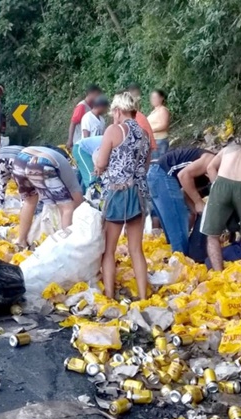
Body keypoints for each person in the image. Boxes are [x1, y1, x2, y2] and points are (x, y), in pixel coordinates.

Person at [95, 92, 151, 301]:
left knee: (109, 250)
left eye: (113, 113)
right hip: (138, 193)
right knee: (136, 249)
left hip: (118, 193)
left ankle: (109, 295)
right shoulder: (144, 134)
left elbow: (101, 163)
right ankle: (143, 297)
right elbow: (145, 165)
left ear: (118, 111)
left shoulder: (114, 130)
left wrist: (100, 168)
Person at [147, 148, 216, 254]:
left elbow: (186, 191)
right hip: (162, 174)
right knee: (178, 226)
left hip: (155, 174)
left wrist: (196, 211)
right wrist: (198, 202)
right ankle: (182, 262)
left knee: (174, 228)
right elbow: (183, 176)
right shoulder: (210, 160)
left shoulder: (203, 174)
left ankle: (177, 258)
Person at [13, 146, 84, 247]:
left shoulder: (62, 165)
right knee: (68, 208)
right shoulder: (74, 184)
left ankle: (21, 241)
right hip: (42, 163)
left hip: (21, 159)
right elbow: (77, 204)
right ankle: (66, 246)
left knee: (29, 202)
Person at [66, 84, 102, 149]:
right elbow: (73, 123)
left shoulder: (92, 106)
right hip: (80, 140)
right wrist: (70, 140)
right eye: (97, 95)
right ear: (91, 94)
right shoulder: (82, 107)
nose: (98, 97)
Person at [0, 145, 25, 211]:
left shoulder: (25, 149)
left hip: (0, 158)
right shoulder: (32, 157)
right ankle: (25, 210)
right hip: (17, 160)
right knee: (23, 188)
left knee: (1, 186)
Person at [127, 83, 156, 151]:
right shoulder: (132, 116)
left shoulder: (138, 116)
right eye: (136, 96)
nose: (139, 98)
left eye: (139, 96)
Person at [148, 89, 170, 159]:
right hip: (153, 140)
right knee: (154, 163)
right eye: (152, 98)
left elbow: (164, 125)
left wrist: (151, 130)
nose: (153, 99)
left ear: (161, 98)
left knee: (160, 162)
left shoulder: (163, 110)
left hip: (160, 141)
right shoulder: (153, 111)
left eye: (155, 97)